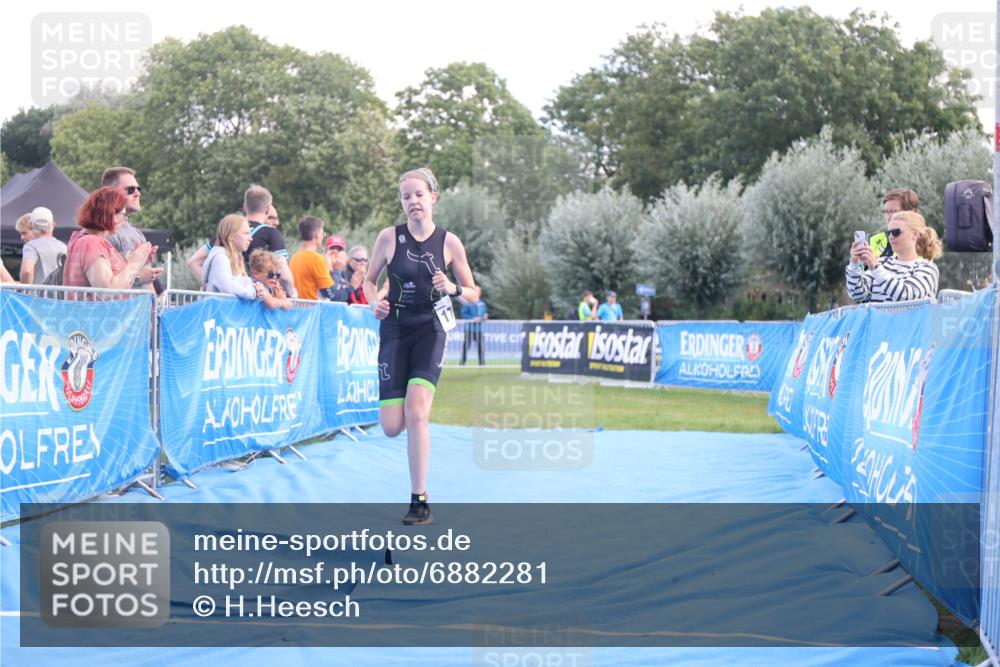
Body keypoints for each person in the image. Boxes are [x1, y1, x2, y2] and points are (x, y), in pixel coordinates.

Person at [364, 167, 480, 526]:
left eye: (419, 194)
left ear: (433, 196)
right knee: (391, 426)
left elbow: (474, 295)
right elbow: (368, 281)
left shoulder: (449, 242)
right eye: (406, 196)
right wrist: (373, 303)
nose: (413, 201)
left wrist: (454, 289)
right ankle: (418, 492)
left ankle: (419, 500)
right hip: (395, 331)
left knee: (417, 413)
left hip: (431, 329)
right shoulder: (388, 238)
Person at [63, 187, 161, 290]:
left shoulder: (90, 241)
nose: (124, 220)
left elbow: (115, 281)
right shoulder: (91, 242)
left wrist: (137, 261)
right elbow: (107, 291)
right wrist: (133, 264)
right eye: (123, 215)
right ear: (112, 213)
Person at [846, 211, 942, 303]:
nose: (891, 237)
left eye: (896, 232)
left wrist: (876, 268)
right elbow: (857, 294)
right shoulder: (881, 263)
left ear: (915, 234)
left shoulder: (928, 268)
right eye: (889, 233)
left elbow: (905, 295)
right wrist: (854, 264)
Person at [102, 167, 164, 294]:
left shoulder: (137, 233)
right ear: (111, 193)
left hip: (141, 310)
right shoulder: (105, 232)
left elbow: (147, 280)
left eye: (138, 189)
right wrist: (137, 278)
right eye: (130, 189)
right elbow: (106, 283)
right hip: (121, 310)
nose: (138, 193)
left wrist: (154, 304)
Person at [202, 214, 264, 300]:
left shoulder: (235, 258)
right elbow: (228, 287)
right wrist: (253, 292)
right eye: (246, 233)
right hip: (219, 313)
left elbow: (242, 283)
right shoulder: (220, 258)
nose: (250, 238)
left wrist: (257, 287)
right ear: (231, 236)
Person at [289, 216, 336, 300]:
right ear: (317, 235)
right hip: (312, 310)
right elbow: (331, 293)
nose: (323, 236)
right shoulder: (316, 259)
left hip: (297, 309)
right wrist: (332, 271)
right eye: (323, 233)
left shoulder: (295, 257)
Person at [19, 207, 67, 284]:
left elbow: (27, 271)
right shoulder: (64, 247)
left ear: (31, 225)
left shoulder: (31, 246)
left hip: (37, 295)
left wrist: (25, 291)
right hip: (58, 295)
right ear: (53, 225)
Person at [873, 188, 919, 259]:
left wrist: (876, 266)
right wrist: (855, 263)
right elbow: (860, 269)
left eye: (893, 211)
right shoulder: (875, 240)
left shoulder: (923, 243)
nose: (888, 216)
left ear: (910, 213)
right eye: (885, 211)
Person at [324, 234, 354, 301]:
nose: (336, 252)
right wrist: (335, 269)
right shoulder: (321, 269)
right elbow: (335, 298)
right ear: (326, 252)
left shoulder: (348, 272)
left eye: (339, 249)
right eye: (332, 249)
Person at [459, 298, 488, 366]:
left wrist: (485, 317)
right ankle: (462, 363)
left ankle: (482, 363)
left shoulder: (482, 303)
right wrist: (472, 318)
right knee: (466, 347)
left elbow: (485, 313)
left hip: (479, 329)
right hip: (469, 329)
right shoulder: (468, 302)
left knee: (481, 347)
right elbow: (463, 313)